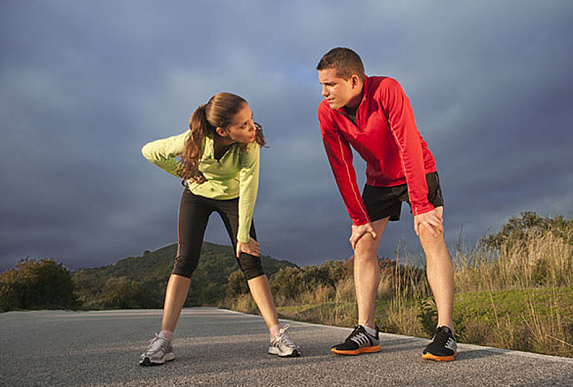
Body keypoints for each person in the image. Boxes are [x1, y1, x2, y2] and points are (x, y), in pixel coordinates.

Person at [316, 48, 457, 361]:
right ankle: (366, 330)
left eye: (330, 85)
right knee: (363, 244)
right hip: (379, 180)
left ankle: (445, 331)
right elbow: (341, 166)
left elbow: (407, 142)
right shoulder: (327, 113)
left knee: (431, 235)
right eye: (321, 86)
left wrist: (420, 204)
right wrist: (357, 217)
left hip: (417, 170)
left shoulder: (387, 90)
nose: (324, 93)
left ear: (354, 80)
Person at [139, 92, 300, 365]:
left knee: (250, 258)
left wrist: (242, 238)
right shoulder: (193, 140)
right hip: (197, 196)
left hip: (234, 198)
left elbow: (249, 186)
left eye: (251, 120)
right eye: (243, 125)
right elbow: (149, 151)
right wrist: (185, 173)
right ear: (222, 130)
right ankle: (164, 341)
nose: (253, 128)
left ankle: (277, 336)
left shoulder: (250, 145)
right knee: (185, 260)